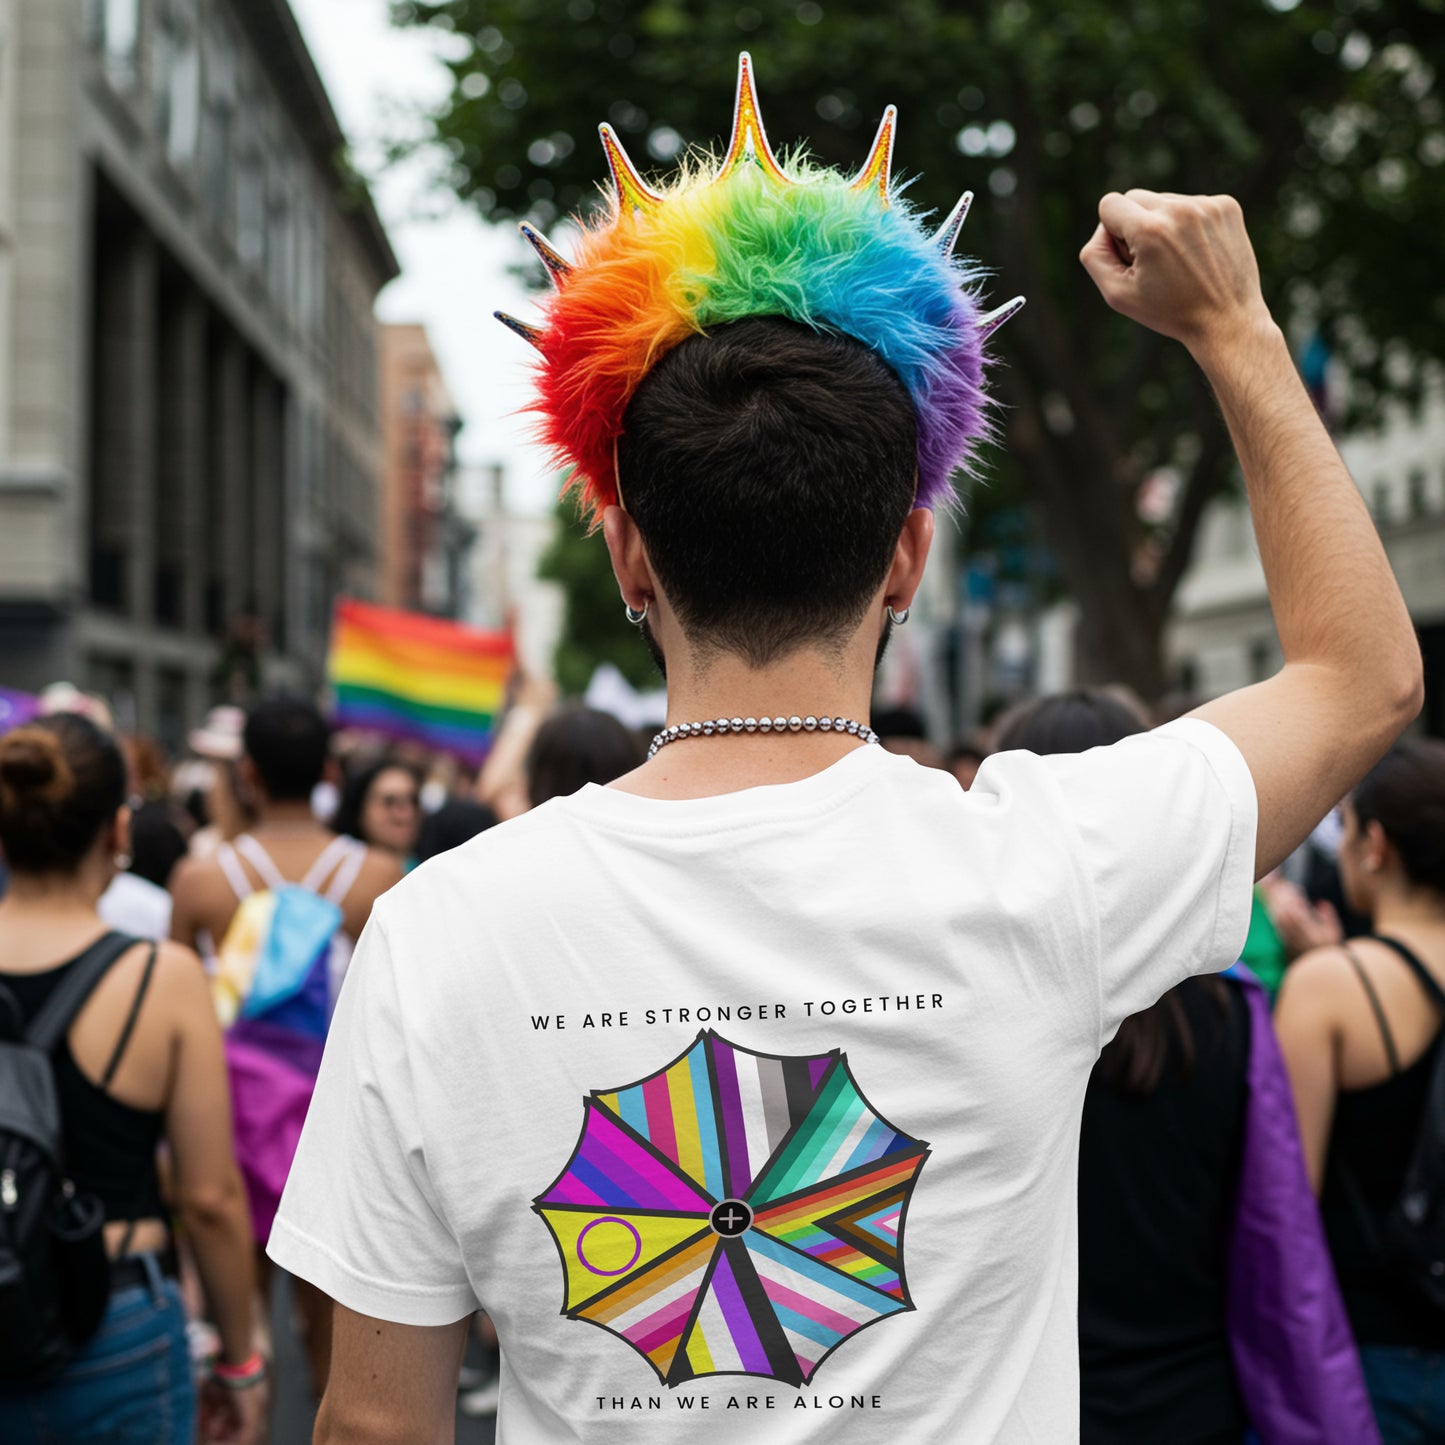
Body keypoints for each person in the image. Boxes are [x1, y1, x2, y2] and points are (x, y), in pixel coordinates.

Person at [267, 58, 1421, 1444]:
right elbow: (1362, 676)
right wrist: (1233, 327)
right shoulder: (1048, 865)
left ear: (626, 553)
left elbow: (375, 1423)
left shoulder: (436, 928)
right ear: (907, 552)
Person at [996, 691, 1373, 1444]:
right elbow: (1273, 1224)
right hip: (1193, 1397)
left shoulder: (988, 1006)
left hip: (1025, 1404)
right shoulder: (1225, 1009)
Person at [0, 714, 264, 1444]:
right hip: (115, 1307)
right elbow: (207, 1196)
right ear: (117, 832)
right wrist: (239, 1361)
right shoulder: (162, 978)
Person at [169, 696, 402, 1401]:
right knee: (330, 1342)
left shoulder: (202, 880)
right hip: (341, 1131)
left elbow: (175, 1006)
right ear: (331, 770)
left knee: (243, 1345)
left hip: (230, 1127)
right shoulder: (379, 876)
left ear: (247, 773)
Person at [1276, 740, 1445, 1441]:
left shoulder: (1330, 988)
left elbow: (1286, 1202)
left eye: (1343, 827)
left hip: (1375, 1352)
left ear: (1374, 844)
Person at [331, 756, 424, 864]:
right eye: (390, 801)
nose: (406, 815)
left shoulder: (429, 874)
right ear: (360, 807)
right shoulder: (335, 867)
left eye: (414, 801)